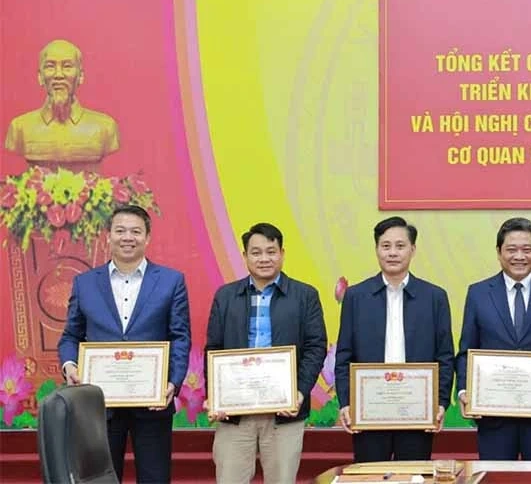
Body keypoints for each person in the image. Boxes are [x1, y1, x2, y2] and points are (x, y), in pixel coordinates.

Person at [58, 205, 191, 483]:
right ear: (108, 236)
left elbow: (180, 337)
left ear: (147, 237)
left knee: (155, 478)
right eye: (120, 231)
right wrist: (70, 365)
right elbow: (71, 336)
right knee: (99, 479)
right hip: (99, 405)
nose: (127, 237)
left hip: (153, 402)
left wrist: (173, 382)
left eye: (135, 231)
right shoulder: (84, 283)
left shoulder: (171, 281)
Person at [204, 223, 327, 484]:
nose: (264, 259)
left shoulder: (305, 296)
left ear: (282, 253)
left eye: (271, 252)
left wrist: (300, 392)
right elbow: (214, 349)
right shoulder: (226, 296)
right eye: (256, 252)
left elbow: (316, 347)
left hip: (284, 412)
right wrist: (215, 396)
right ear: (245, 256)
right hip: (235, 413)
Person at [455, 217, 531, 460]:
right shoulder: (478, 293)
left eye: (527, 249)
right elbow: (466, 352)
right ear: (499, 252)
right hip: (494, 419)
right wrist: (463, 391)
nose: (519, 256)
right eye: (511, 249)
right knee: (496, 476)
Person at [334, 216, 455, 461]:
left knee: (413, 474)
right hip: (369, 410)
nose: (392, 253)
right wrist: (346, 402)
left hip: (417, 411)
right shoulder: (356, 296)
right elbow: (344, 354)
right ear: (376, 249)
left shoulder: (434, 297)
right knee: (370, 474)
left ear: (413, 249)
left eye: (400, 246)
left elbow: (444, 355)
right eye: (385, 246)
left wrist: (440, 402)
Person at [4, 39, 120, 170]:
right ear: (40, 77)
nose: (58, 75)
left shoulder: (104, 127)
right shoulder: (20, 127)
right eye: (50, 66)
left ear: (80, 76)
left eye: (67, 66)